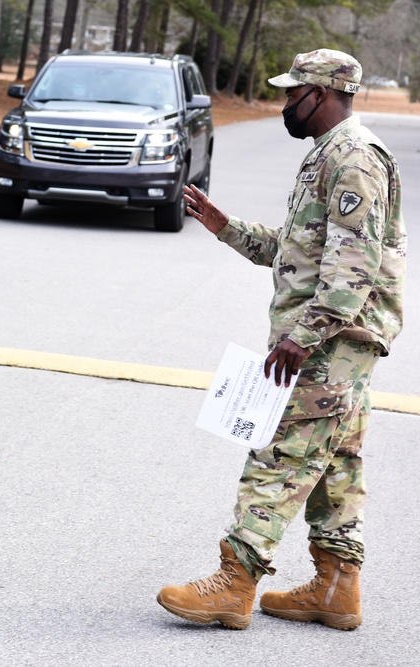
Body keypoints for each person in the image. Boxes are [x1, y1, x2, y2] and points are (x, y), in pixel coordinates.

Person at [155, 49, 406, 631]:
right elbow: (298, 254)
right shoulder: (329, 156)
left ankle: (235, 582)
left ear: (321, 94)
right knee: (337, 461)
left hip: (331, 341)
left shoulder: (355, 159)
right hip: (341, 339)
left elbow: (354, 267)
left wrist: (302, 337)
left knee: (280, 454)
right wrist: (227, 228)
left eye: (293, 93)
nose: (284, 103)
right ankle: (336, 587)